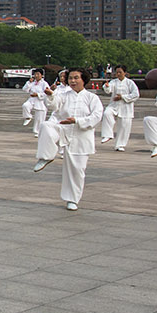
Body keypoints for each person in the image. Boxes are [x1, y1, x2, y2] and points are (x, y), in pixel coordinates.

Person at [32, 68, 103, 210]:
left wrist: (77, 121)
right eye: (70, 78)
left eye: (76, 78)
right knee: (46, 126)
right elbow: (54, 105)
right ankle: (46, 156)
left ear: (84, 80)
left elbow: (96, 117)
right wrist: (50, 96)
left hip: (81, 136)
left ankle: (72, 199)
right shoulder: (63, 94)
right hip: (63, 129)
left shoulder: (92, 98)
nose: (72, 81)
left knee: (76, 170)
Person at [99, 65, 140, 152]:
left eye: (120, 72)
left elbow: (136, 94)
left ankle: (120, 145)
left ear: (125, 73)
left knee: (124, 126)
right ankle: (107, 135)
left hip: (126, 107)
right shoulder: (114, 82)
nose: (118, 74)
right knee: (107, 113)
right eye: (116, 72)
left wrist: (122, 97)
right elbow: (108, 90)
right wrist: (106, 86)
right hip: (114, 105)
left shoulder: (130, 83)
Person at [20, 69, 50, 133]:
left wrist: (38, 94)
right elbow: (25, 89)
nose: (36, 76)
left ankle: (38, 132)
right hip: (32, 99)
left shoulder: (44, 84)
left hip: (40, 101)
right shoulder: (32, 83)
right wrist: (29, 82)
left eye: (38, 74)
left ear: (42, 75)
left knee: (39, 119)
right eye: (35, 74)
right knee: (25, 106)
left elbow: (47, 93)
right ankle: (28, 117)